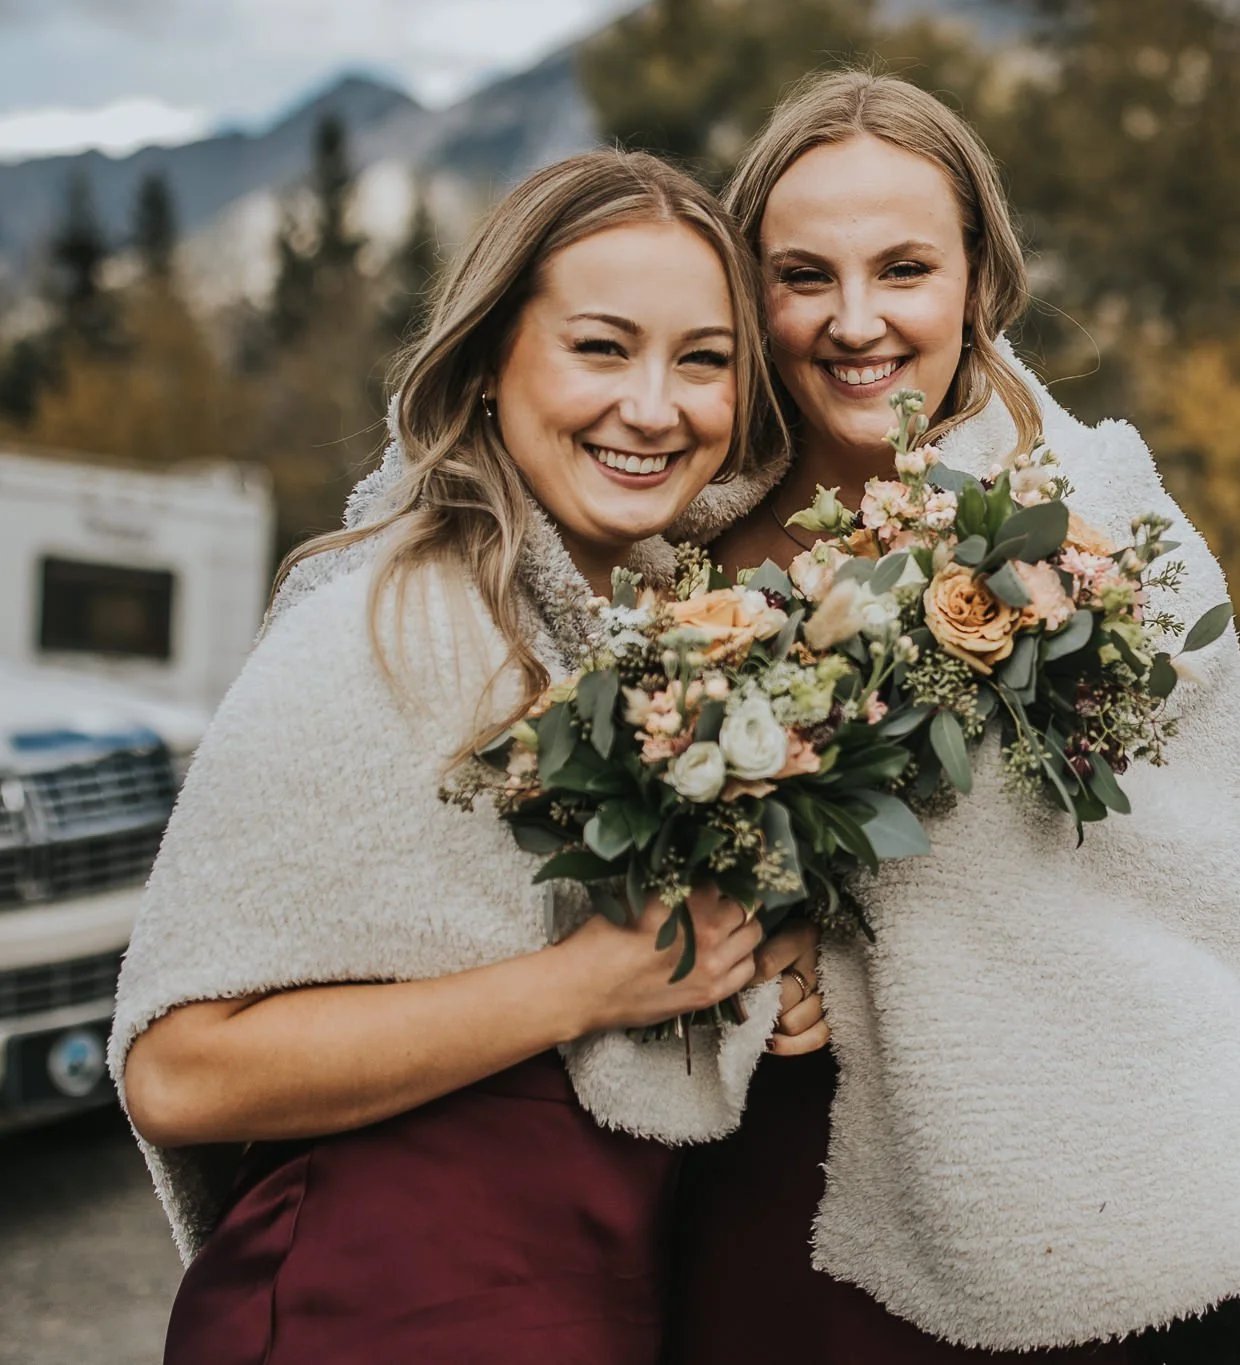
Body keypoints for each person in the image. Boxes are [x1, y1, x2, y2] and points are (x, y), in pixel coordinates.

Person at [673, 72, 1240, 1362]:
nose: (854, 323)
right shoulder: (684, 536)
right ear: (746, 291)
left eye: (901, 269)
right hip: (760, 1163)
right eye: (801, 276)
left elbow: (1172, 875)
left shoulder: (1092, 516)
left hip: (1049, 1149)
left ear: (977, 282)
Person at [110, 149, 826, 1365]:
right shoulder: (381, 632)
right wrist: (585, 984)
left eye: (701, 360)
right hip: (382, 1309)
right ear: (493, 365)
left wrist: (760, 963)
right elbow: (179, 1070)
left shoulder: (653, 643)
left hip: (580, 1295)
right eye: (601, 347)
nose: (654, 407)